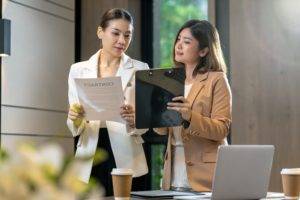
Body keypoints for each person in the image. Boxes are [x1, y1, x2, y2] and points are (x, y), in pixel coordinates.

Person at [67, 8, 148, 196]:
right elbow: (74, 126)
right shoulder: (78, 70)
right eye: (116, 33)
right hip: (90, 154)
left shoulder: (140, 69)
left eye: (127, 35)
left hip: (127, 154)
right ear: (100, 32)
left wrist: (135, 119)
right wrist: (74, 117)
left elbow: (144, 125)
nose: (122, 41)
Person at [155, 19, 232, 192]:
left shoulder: (217, 79)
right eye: (179, 39)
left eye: (187, 42)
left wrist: (190, 116)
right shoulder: (168, 80)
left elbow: (221, 129)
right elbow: (163, 130)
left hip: (207, 176)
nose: (179, 45)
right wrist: (153, 116)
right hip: (173, 172)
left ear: (204, 50)